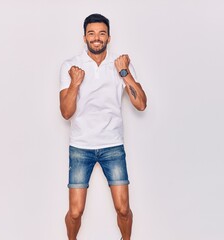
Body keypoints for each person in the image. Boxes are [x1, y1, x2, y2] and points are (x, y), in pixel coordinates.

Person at [59, 13, 147, 240]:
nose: (96, 38)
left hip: (112, 145)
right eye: (91, 34)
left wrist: (124, 73)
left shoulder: (120, 64)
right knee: (76, 212)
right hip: (81, 145)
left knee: (123, 209)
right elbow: (66, 112)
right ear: (84, 37)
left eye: (101, 33)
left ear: (109, 37)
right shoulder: (71, 66)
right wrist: (75, 83)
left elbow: (141, 104)